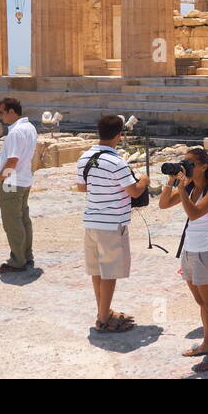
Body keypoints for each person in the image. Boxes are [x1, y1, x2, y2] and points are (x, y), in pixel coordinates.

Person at [71, 115, 148, 332]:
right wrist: (144, 181)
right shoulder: (117, 161)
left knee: (97, 272)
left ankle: (103, 312)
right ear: (119, 135)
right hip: (112, 224)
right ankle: (104, 320)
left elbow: (81, 188)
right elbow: (134, 191)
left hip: (92, 222)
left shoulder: (85, 157)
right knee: (110, 273)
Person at [159, 147, 208, 373]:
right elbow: (162, 204)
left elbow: (194, 213)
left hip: (207, 252)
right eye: (184, 162)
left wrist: (181, 189)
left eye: (190, 163)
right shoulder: (191, 186)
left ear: (203, 166)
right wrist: (172, 181)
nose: (186, 167)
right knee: (202, 303)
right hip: (190, 251)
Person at [0, 97, 38, 274]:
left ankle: (17, 260)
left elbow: (12, 160)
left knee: (12, 221)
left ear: (12, 111)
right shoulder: (30, 128)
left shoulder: (15, 132)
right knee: (23, 219)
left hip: (10, 181)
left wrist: (0, 179)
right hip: (23, 179)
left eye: (1, 112)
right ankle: (26, 256)